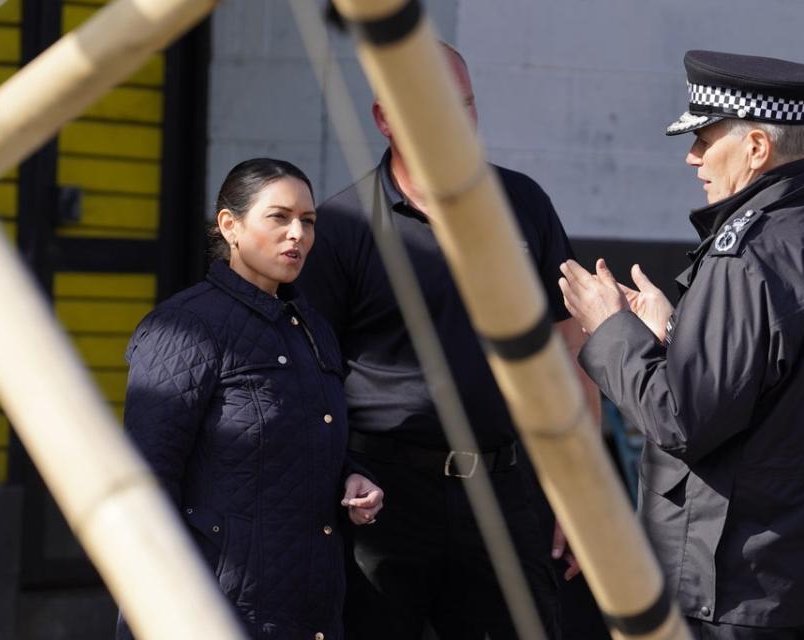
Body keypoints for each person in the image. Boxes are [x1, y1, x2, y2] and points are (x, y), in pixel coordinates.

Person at [560, 50, 804, 639]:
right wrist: (673, 333)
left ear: (757, 149)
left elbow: (682, 420)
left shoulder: (746, 256)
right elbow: (787, 388)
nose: (692, 156)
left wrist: (611, 326)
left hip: (741, 592)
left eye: (705, 137)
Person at [297, 44, 594, 640]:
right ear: (384, 119)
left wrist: (581, 493)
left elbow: (570, 345)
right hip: (383, 498)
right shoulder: (342, 226)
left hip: (505, 486)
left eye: (464, 105)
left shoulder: (524, 205)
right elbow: (308, 379)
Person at [117, 158, 383, 640]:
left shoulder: (313, 327)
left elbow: (302, 436)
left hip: (310, 606)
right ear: (230, 226)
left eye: (308, 221)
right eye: (279, 217)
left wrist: (353, 475)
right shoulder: (184, 327)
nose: (297, 234)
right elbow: (146, 480)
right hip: (216, 608)